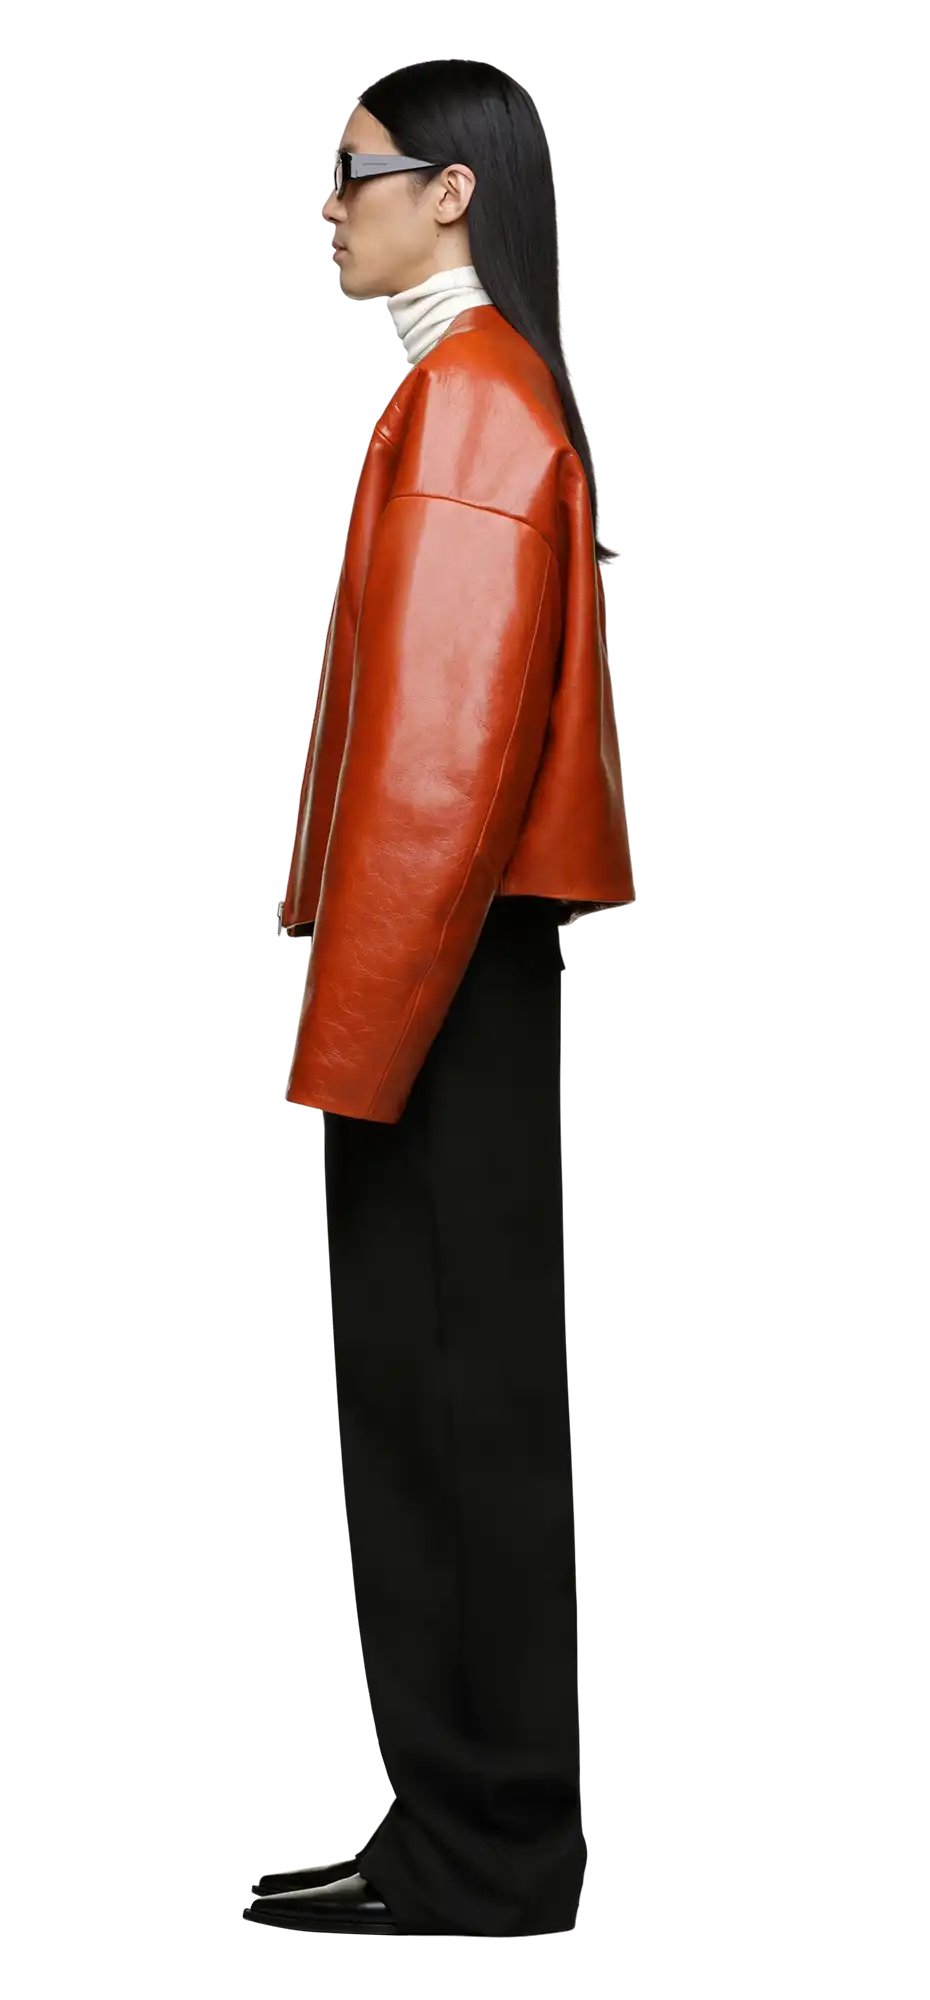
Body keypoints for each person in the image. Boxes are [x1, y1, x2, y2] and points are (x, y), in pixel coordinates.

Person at [243, 57, 636, 1942]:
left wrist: (359, 1034)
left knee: (450, 1408)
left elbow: (440, 765)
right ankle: (456, 1829)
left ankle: (487, 1849)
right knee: (437, 1402)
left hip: (442, 973)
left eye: (350, 171)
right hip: (449, 967)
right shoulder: (462, 390)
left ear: (450, 190)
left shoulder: (471, 402)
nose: (328, 206)